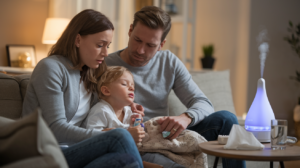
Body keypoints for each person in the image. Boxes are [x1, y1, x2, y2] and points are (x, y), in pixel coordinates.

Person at [105, 6, 246, 168]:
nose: (140, 50)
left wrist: (186, 117)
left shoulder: (168, 62)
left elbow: (203, 102)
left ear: (161, 44)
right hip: (135, 142)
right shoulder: (106, 65)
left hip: (167, 137)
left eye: (150, 45)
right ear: (130, 31)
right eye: (137, 40)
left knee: (227, 119)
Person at [22, 9, 143, 168]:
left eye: (108, 46)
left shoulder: (90, 73)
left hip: (75, 151)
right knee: (119, 136)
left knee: (125, 160)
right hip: (44, 153)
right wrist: (107, 135)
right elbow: (56, 128)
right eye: (100, 45)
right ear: (78, 40)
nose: (106, 53)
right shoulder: (50, 68)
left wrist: (129, 105)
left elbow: (106, 102)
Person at [84, 66, 145, 145]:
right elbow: (93, 138)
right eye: (124, 84)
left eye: (132, 85)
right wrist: (127, 134)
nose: (132, 88)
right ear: (106, 91)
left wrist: (137, 124)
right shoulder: (101, 110)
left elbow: (136, 135)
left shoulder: (129, 111)